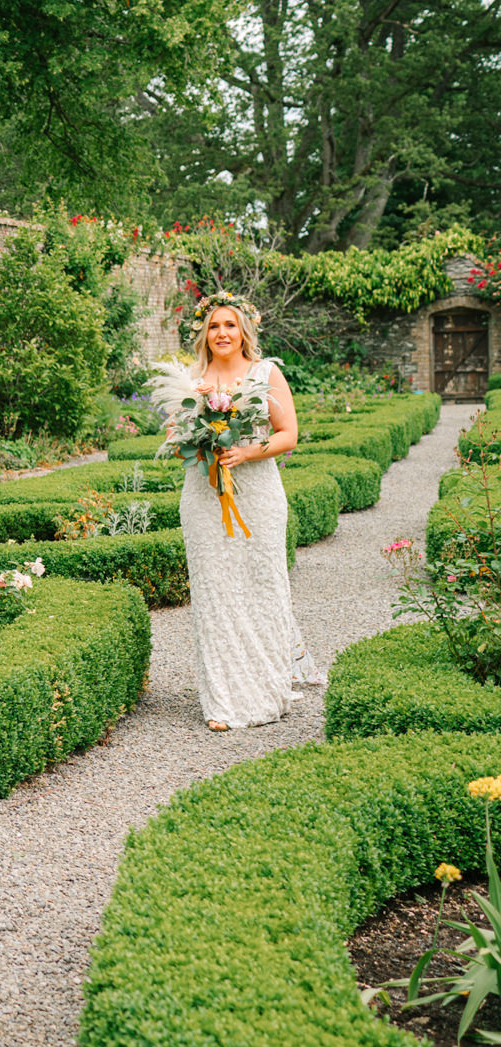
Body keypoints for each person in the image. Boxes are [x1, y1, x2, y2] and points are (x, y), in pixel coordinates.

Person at [168, 291, 322, 731]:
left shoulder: (265, 372)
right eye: (213, 326)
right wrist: (195, 439)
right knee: (214, 592)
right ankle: (223, 702)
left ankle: (267, 691)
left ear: (244, 331)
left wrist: (247, 452)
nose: (221, 333)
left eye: (229, 325)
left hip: (258, 497)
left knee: (261, 588)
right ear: (204, 332)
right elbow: (177, 434)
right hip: (203, 498)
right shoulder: (192, 378)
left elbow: (289, 433)